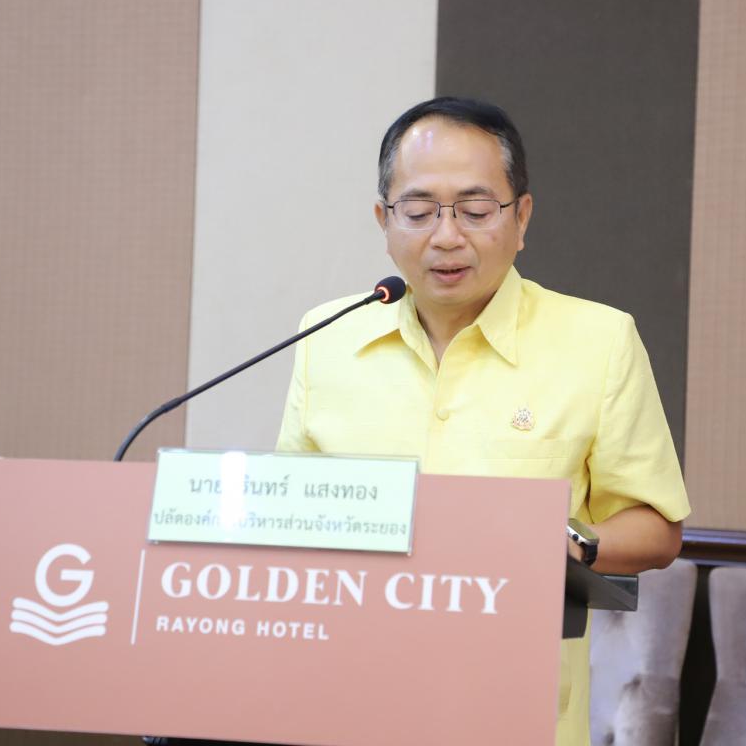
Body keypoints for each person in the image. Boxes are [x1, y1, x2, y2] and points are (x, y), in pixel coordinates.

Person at [276, 96, 690, 746]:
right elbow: (286, 521)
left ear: (521, 217)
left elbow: (657, 528)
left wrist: (566, 544)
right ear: (384, 220)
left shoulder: (598, 343)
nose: (446, 237)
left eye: (474, 211)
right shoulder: (326, 338)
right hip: (349, 707)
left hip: (516, 717)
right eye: (419, 212)